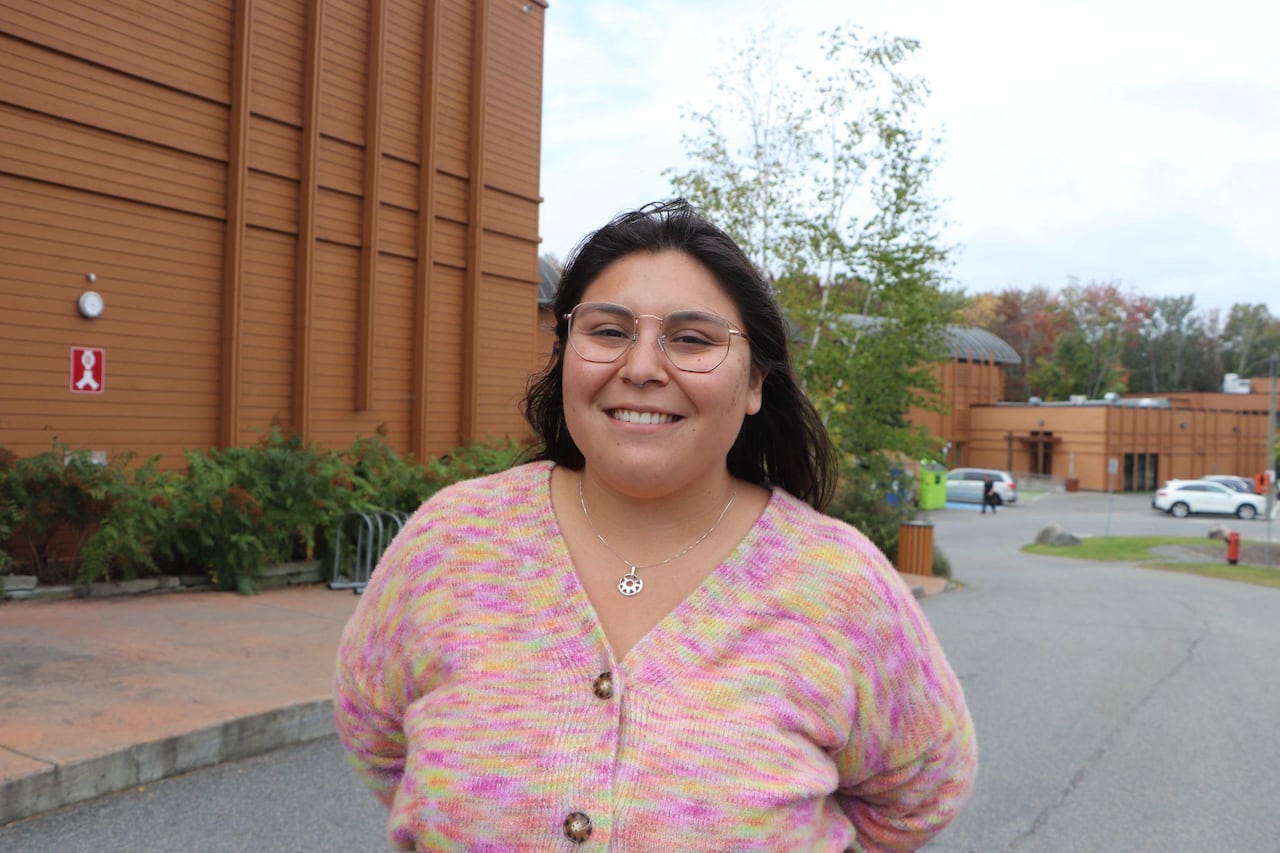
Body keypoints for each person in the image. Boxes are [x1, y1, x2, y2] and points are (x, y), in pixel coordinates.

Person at [334, 199, 977, 850]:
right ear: (565, 356)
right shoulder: (451, 544)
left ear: (755, 381)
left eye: (692, 338)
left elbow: (919, 797)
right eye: (608, 331)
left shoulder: (839, 584)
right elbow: (379, 740)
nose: (641, 367)